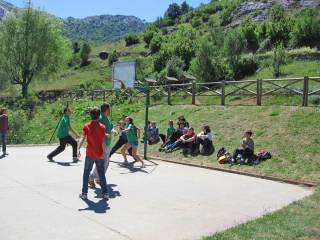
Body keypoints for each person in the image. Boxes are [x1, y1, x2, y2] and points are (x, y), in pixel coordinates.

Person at [78, 107, 109, 201]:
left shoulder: (86, 126)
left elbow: (82, 138)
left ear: (90, 115)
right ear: (99, 115)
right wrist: (103, 153)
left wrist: (78, 148)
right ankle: (105, 193)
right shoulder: (103, 127)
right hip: (99, 153)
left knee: (86, 173)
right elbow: (103, 141)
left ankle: (84, 194)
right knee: (101, 174)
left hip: (90, 153)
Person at [89, 103, 116, 188]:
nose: (110, 110)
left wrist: (113, 130)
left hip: (108, 142)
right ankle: (92, 177)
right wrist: (105, 134)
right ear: (107, 109)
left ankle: (98, 178)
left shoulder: (107, 118)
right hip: (102, 143)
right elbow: (96, 129)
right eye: (109, 109)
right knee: (103, 162)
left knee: (105, 162)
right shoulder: (100, 118)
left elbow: (111, 127)